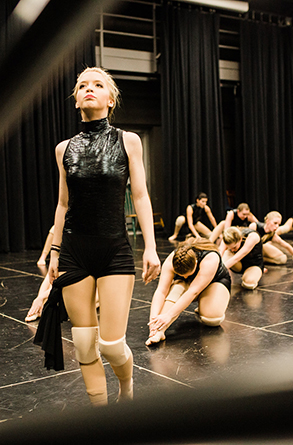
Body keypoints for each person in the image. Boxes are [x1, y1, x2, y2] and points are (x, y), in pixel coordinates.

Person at [34, 67, 160, 407]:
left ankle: (127, 387)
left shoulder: (128, 141)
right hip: (74, 250)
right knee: (85, 344)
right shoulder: (64, 149)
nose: (89, 89)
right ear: (76, 101)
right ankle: (101, 415)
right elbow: (63, 204)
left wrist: (150, 246)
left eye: (98, 85)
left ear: (110, 99)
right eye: (82, 86)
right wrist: (55, 252)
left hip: (114, 251)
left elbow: (141, 196)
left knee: (110, 344)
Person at [146, 238, 231, 346]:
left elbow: (193, 292)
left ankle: (205, 302)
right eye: (181, 275)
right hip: (188, 285)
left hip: (214, 282)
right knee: (177, 288)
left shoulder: (211, 258)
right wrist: (153, 322)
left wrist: (169, 316)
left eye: (187, 274)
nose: (185, 276)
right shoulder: (171, 260)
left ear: (196, 263)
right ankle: (160, 331)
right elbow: (161, 291)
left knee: (212, 319)